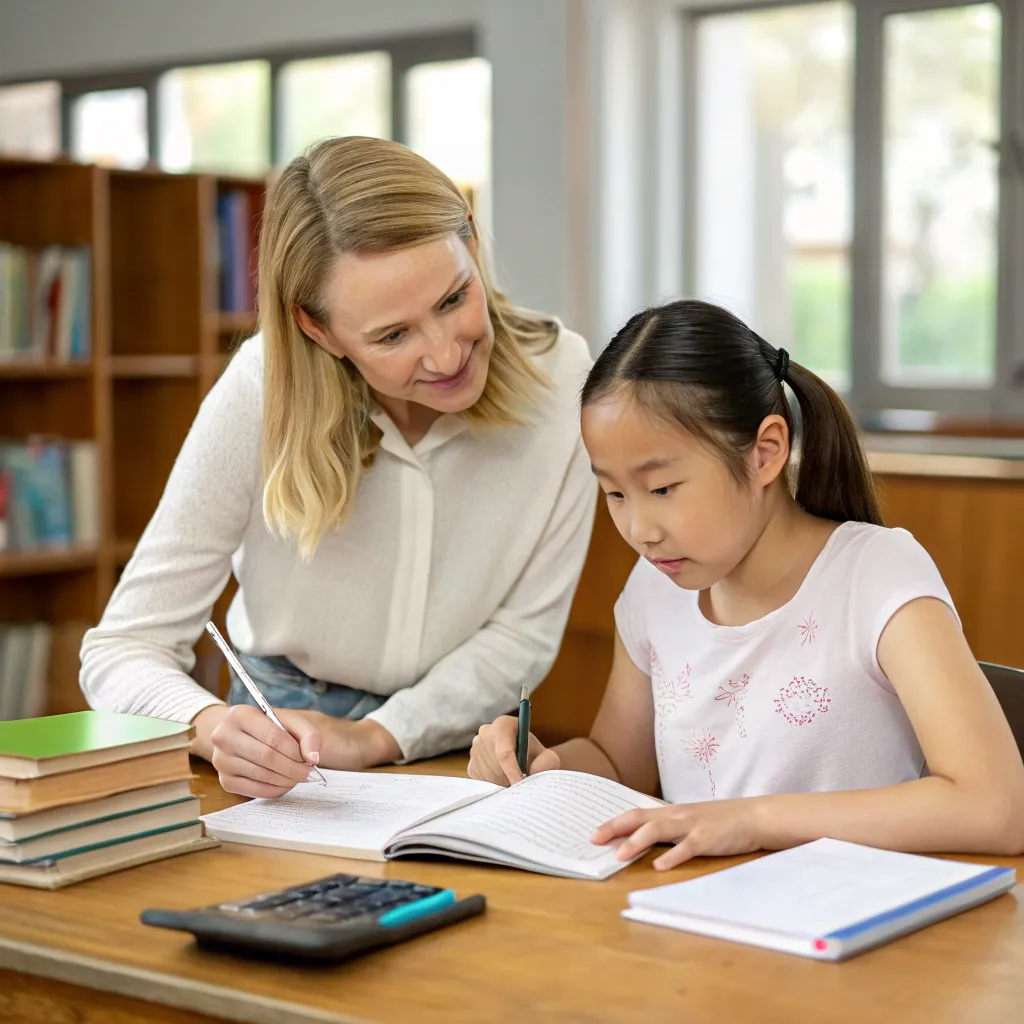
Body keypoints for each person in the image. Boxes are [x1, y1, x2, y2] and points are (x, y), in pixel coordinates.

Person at [80, 137, 596, 799]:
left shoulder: (567, 380)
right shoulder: (260, 389)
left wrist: (381, 734)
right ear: (319, 330)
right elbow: (122, 648)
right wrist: (210, 727)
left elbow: (524, 630)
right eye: (392, 336)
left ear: (469, 239)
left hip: (459, 743)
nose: (444, 355)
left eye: (451, 299)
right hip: (278, 742)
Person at [468, 299, 1024, 868]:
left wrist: (753, 819)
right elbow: (619, 762)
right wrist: (542, 766)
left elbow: (996, 807)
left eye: (661, 489)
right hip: (705, 920)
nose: (639, 530)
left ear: (765, 453)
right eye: (614, 493)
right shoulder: (653, 590)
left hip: (855, 921)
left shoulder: (876, 575)